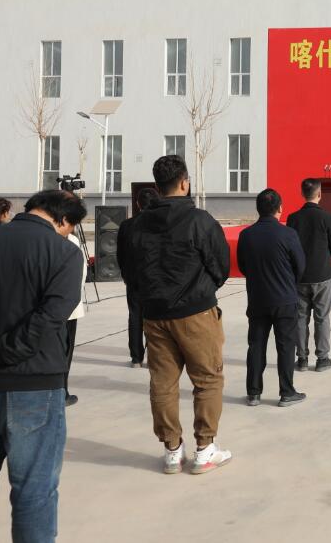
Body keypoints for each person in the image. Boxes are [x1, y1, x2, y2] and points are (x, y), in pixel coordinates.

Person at [0, 190, 86, 542]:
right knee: (34, 491)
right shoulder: (64, 252)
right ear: (63, 220)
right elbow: (51, 318)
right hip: (33, 387)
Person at [117, 155, 232, 475]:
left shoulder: (134, 226)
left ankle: (171, 449)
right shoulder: (200, 221)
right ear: (185, 183)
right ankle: (205, 449)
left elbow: (129, 272)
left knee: (163, 383)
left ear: (157, 186)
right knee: (207, 379)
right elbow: (221, 266)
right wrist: (201, 290)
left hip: (154, 315)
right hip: (196, 313)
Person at [237, 189, 307, 408]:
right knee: (285, 347)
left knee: (256, 346)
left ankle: (253, 393)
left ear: (258, 209)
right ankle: (287, 392)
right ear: (280, 208)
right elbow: (300, 267)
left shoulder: (246, 235)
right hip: (284, 299)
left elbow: (243, 266)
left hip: (257, 298)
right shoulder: (288, 234)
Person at [286, 178, 331, 373]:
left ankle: (301, 359)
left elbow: (290, 247)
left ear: (302, 194)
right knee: (322, 318)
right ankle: (322, 359)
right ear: (319, 194)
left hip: (300, 276)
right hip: (322, 274)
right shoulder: (328, 218)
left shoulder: (293, 218)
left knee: (300, 318)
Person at [120, 187, 158, 367]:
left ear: (137, 203)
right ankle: (154, 355)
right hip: (156, 280)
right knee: (155, 318)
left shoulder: (126, 225)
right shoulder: (161, 225)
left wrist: (126, 275)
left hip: (134, 279)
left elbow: (120, 254)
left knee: (135, 317)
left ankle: (136, 357)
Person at [63, 230, 88, 407]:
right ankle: (62, 391)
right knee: (66, 351)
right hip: (69, 307)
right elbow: (82, 273)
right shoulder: (72, 240)